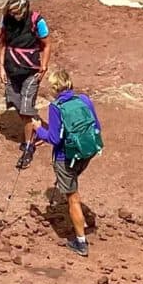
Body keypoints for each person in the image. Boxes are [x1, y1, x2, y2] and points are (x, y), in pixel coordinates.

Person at [29, 67, 104, 255]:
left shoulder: (56, 107)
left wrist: (38, 129)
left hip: (65, 157)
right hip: (87, 152)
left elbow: (54, 139)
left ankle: (80, 242)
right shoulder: (84, 99)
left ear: (54, 88)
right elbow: (97, 125)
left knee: (73, 198)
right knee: (72, 182)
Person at [0, 0, 52, 169]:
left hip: (31, 72)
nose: (14, 15)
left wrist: (43, 66)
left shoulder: (37, 21)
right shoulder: (6, 20)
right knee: (17, 105)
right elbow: (3, 43)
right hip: (11, 70)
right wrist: (1, 67)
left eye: (16, 12)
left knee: (26, 109)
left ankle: (28, 146)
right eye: (11, 12)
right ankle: (36, 129)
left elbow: (46, 44)